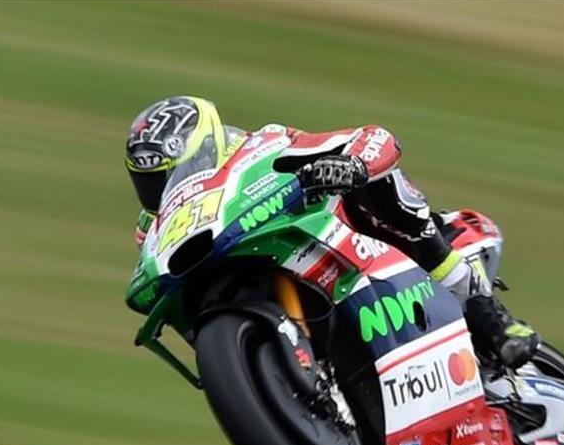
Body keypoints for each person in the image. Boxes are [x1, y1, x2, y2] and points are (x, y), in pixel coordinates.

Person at [125, 96, 538, 369]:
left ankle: (487, 312)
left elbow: (376, 139)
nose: (168, 189)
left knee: (377, 187)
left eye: (174, 172)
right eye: (152, 182)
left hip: (351, 242)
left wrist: (351, 165)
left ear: (209, 146)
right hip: (255, 278)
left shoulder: (264, 147)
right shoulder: (154, 231)